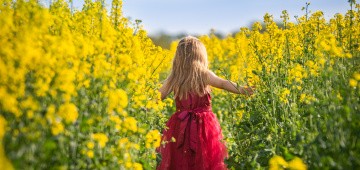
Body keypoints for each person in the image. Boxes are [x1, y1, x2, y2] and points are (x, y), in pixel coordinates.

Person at [156, 36, 254, 170]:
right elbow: (223, 83)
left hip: (180, 125)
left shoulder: (175, 76)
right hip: (204, 125)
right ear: (201, 56)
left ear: (178, 57)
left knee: (179, 159)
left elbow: (157, 96)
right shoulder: (203, 74)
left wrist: (141, 103)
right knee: (205, 159)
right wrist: (242, 89)